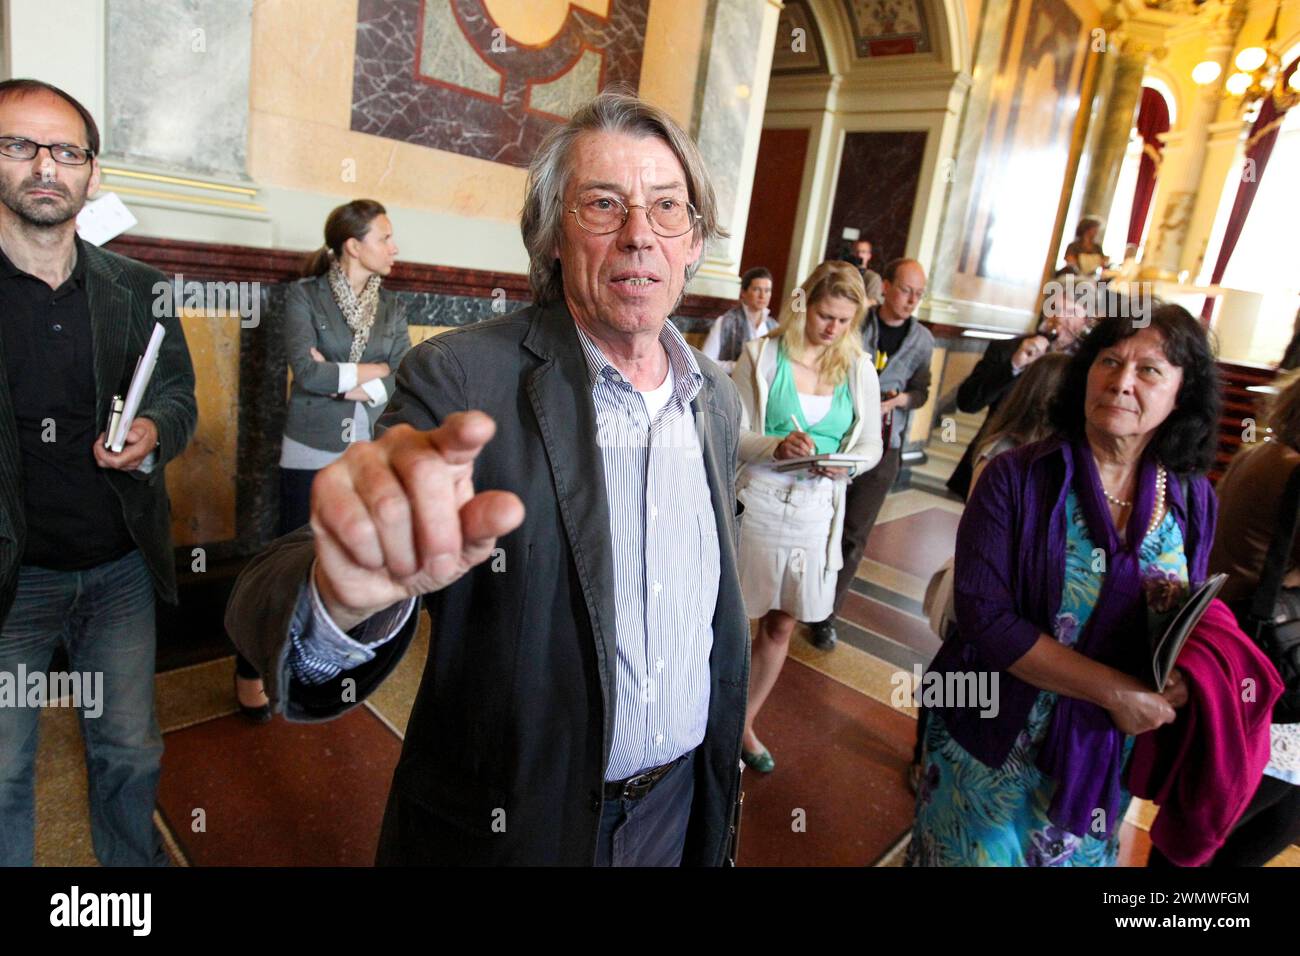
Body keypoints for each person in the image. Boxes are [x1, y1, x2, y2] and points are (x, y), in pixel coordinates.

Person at [225, 91, 748, 866]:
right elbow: (285, 587)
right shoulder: (465, 377)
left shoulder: (716, 397)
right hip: (517, 828)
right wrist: (345, 591)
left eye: (667, 208)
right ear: (551, 238)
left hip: (677, 810)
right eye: (603, 205)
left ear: (694, 239)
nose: (641, 235)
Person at [907, 305, 1222, 866]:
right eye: (1109, 361)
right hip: (991, 741)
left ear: (1182, 393)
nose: (1122, 382)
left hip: (1097, 756)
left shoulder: (1192, 500)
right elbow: (986, 619)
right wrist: (1114, 691)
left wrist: (1178, 680)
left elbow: (1183, 623)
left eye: (1149, 370)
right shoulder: (1018, 476)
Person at [0, 79, 197, 866]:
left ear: (91, 172)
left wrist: (154, 432)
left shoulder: (139, 288)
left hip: (118, 570)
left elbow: (179, 393)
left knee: (129, 755)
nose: (46, 165)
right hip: (12, 581)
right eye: (20, 145)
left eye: (67, 151)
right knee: (4, 772)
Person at [232, 200, 411, 722]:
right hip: (309, 447)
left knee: (346, 557)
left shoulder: (392, 307)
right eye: (385, 238)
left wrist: (343, 376)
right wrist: (366, 374)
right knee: (290, 559)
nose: (394, 248)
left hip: (365, 451)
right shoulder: (303, 298)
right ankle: (252, 666)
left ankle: (318, 665)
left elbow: (397, 375)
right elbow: (303, 376)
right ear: (354, 246)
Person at [731, 261, 882, 772]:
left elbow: (871, 445)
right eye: (824, 315)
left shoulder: (857, 366)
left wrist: (846, 464)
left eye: (844, 320)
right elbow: (732, 433)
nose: (832, 328)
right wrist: (776, 445)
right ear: (803, 305)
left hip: (818, 509)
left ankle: (744, 724)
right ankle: (705, 720)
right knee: (731, 619)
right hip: (761, 503)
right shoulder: (762, 356)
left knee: (782, 623)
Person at [910, 352, 1072, 791]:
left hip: (1015, 595)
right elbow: (978, 524)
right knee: (955, 671)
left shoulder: (1062, 457)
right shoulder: (1003, 452)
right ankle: (925, 754)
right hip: (984, 582)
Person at [807, 258, 933, 649]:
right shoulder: (856, 322)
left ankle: (826, 614)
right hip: (837, 438)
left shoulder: (923, 341)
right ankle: (800, 596)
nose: (912, 299)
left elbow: (922, 391)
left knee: (854, 534)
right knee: (815, 523)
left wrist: (898, 401)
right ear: (888, 287)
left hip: (886, 444)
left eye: (919, 293)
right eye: (907, 289)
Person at [1201, 368, 1300, 866]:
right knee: (1225, 828)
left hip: (1236, 646)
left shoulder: (1261, 454)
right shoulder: (1292, 471)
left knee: (1269, 816)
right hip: (1275, 663)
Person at [945, 287, 1092, 499]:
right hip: (994, 463)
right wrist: (1014, 365)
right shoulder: (1010, 349)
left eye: (1070, 312)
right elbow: (967, 402)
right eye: (1055, 309)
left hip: (1052, 477)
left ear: (1085, 320)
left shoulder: (1089, 366)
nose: (1059, 318)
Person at [700, 266, 774, 372]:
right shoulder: (726, 322)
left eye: (767, 290)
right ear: (743, 292)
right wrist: (738, 366)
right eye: (756, 289)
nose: (762, 296)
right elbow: (705, 362)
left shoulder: (773, 327)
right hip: (731, 385)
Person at [849, 237, 883, 307]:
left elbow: (873, 301)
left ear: (869, 256)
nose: (859, 255)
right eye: (857, 252)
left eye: (863, 252)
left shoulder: (873, 277)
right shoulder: (845, 272)